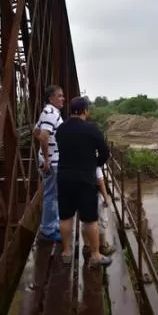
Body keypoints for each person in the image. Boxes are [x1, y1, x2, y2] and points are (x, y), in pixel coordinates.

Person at [54, 96, 112, 266]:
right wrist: (95, 163)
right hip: (85, 179)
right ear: (85, 111)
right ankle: (95, 255)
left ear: (71, 110)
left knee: (65, 217)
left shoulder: (61, 129)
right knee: (90, 219)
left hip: (64, 177)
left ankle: (66, 252)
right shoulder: (91, 129)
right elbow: (105, 152)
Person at [34, 85, 64, 243]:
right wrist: (47, 159)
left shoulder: (47, 111)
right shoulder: (51, 113)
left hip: (51, 160)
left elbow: (36, 131)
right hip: (52, 163)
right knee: (51, 196)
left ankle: (54, 223)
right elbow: (43, 136)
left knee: (53, 194)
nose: (63, 98)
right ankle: (48, 230)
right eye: (59, 96)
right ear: (51, 98)